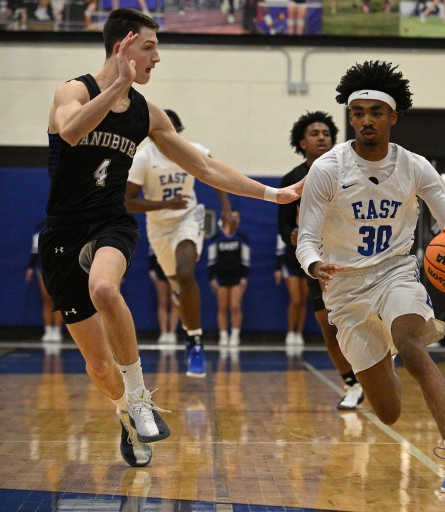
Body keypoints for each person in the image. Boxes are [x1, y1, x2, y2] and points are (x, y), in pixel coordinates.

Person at [39, 8, 302, 468]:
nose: (157, 58)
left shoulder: (147, 112)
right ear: (122, 47)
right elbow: (72, 130)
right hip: (63, 231)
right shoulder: (73, 90)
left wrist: (271, 193)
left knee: (104, 287)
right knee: (99, 367)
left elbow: (204, 167)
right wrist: (118, 84)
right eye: (149, 47)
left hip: (110, 224)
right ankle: (125, 412)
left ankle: (140, 397)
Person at [296, 60, 445, 493]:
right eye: (357, 113)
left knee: (414, 347)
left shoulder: (414, 166)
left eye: (375, 112)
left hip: (395, 273)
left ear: (393, 116)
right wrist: (314, 264)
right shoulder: (327, 169)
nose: (365, 121)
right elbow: (305, 238)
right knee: (389, 412)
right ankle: (382, 355)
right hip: (344, 288)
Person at [126, 108, 235, 378]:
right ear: (151, 134)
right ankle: (180, 296)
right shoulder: (143, 158)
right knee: (177, 283)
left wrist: (226, 208)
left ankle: (194, 343)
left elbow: (216, 174)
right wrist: (165, 203)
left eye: (171, 130)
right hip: (159, 225)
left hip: (189, 215)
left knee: (186, 272)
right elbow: (126, 202)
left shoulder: (193, 150)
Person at [279, 110, 364, 411]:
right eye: (315, 134)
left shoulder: (349, 172)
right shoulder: (291, 180)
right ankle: (351, 383)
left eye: (326, 133)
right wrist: (291, 234)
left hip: (353, 256)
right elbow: (284, 224)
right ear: (302, 142)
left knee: (363, 321)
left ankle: (373, 369)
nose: (321, 137)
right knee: (328, 328)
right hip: (318, 261)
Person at [207, 211, 249, 347]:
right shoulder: (216, 238)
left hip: (237, 277)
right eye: (234, 218)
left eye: (238, 219)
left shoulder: (242, 238)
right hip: (221, 277)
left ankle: (235, 335)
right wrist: (211, 278)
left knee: (235, 306)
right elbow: (211, 260)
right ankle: (224, 335)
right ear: (225, 219)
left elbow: (246, 261)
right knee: (222, 307)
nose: (236, 221)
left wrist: (244, 278)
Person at [25, 223, 63, 343]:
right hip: (43, 270)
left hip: (58, 270)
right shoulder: (40, 235)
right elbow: (35, 253)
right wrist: (30, 268)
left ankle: (57, 330)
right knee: (47, 298)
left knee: (58, 300)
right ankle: (48, 330)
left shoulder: (63, 233)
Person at [147, 246, 179, 344]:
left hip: (175, 272)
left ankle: (172, 333)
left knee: (174, 302)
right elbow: (151, 257)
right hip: (160, 271)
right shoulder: (156, 235)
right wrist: (152, 271)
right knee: (163, 302)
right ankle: (164, 332)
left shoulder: (178, 236)